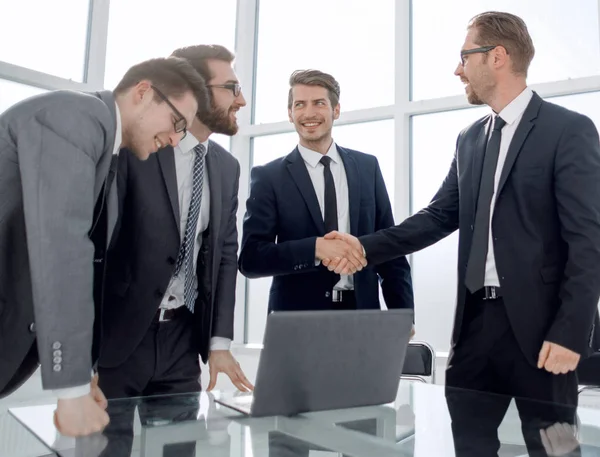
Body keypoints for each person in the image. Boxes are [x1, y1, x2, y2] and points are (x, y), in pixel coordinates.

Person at [324, 11, 600, 456]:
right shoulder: (470, 139)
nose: (458, 70)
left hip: (546, 337)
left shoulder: (567, 130)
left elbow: (589, 243)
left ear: (497, 57)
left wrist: (571, 333)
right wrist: (364, 247)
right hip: (476, 329)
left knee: (558, 450)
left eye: (463, 57)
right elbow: (437, 217)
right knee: (470, 445)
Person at [0, 56, 208, 437]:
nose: (177, 139)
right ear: (143, 93)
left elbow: (94, 262)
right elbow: (62, 246)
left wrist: (87, 371)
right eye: (178, 123)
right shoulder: (75, 117)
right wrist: (72, 388)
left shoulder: (107, 154)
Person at [94, 44, 251, 418]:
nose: (241, 100)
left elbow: (224, 255)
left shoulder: (226, 167)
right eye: (231, 87)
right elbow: (98, 240)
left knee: (179, 447)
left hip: (183, 340)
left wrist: (219, 342)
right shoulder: (136, 146)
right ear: (196, 89)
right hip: (119, 338)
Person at [239, 69, 413, 315]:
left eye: (319, 103)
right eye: (300, 104)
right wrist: (315, 249)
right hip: (297, 319)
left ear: (336, 110)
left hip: (363, 314)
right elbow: (251, 259)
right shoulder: (269, 177)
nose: (309, 113)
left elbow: (389, 248)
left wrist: (403, 313)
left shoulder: (367, 167)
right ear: (290, 113)